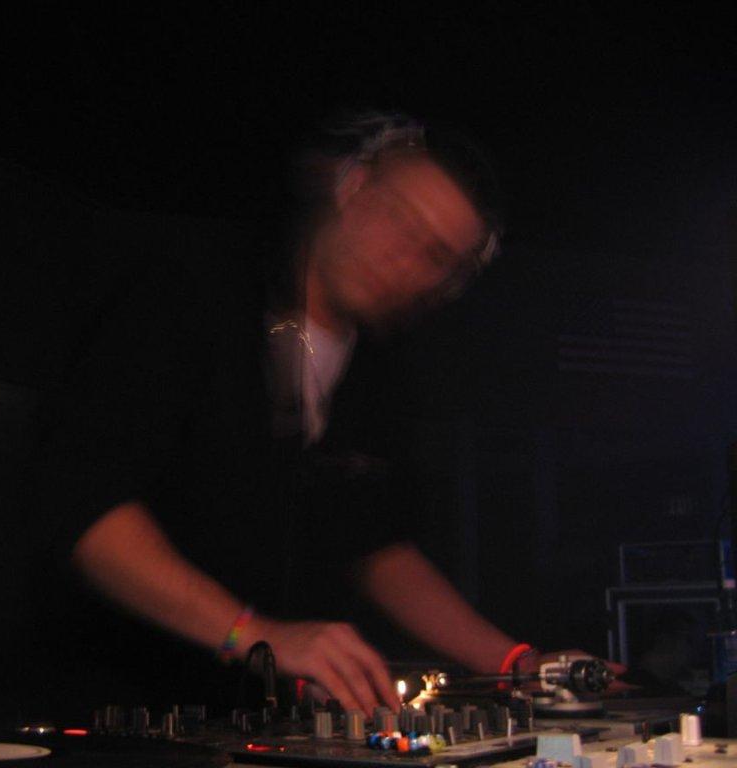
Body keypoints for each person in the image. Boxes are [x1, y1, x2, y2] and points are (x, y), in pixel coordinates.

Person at [37, 111, 619, 716]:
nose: (403, 259)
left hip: (248, 718)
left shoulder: (379, 371)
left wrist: (516, 663)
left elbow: (375, 546)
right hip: (106, 704)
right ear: (353, 187)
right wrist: (254, 635)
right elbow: (85, 504)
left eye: (435, 255)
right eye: (400, 220)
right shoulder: (193, 288)